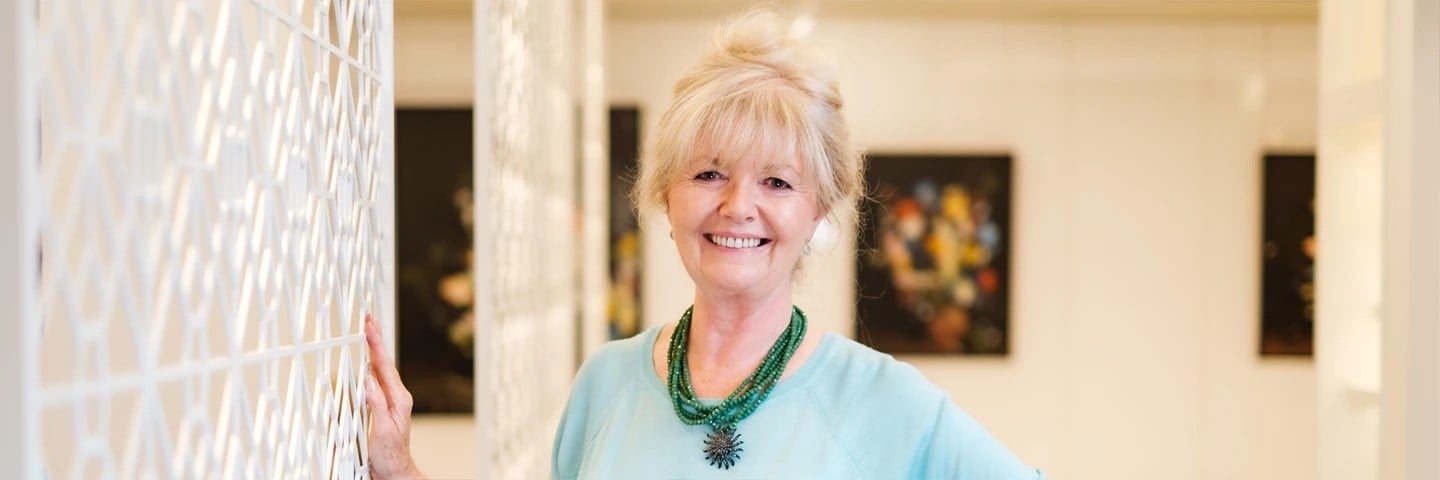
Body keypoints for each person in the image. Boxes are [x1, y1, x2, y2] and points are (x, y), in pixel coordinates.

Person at [364, 8, 1045, 479]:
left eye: (776, 181)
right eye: (709, 173)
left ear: (818, 210)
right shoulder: (605, 384)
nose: (737, 206)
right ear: (667, 194)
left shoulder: (882, 400)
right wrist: (396, 467)